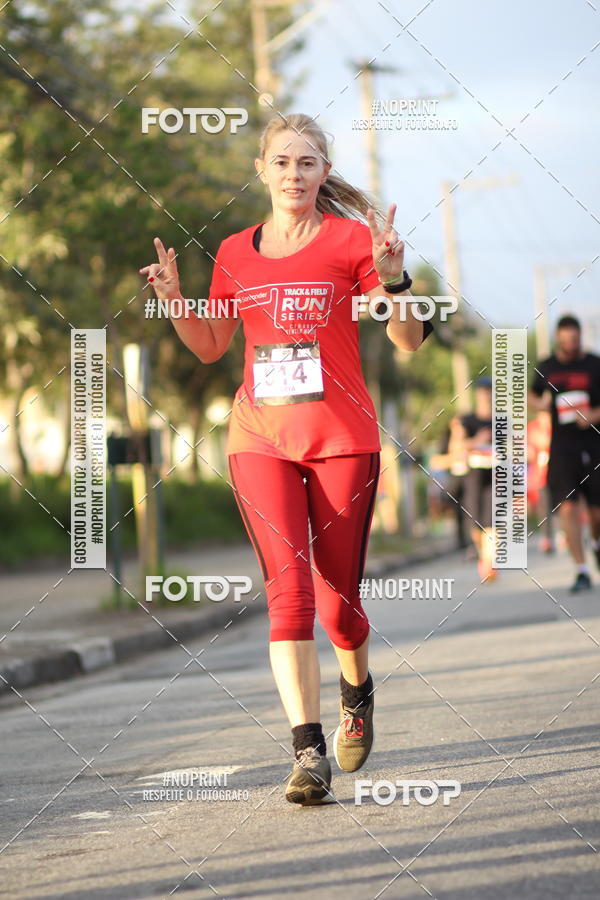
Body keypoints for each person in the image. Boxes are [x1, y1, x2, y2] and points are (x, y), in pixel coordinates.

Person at [140, 112, 433, 805]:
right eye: (281, 162)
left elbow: (411, 342)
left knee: (338, 606)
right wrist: (176, 301)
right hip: (259, 439)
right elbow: (212, 346)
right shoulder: (235, 251)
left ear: (323, 173)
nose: (294, 174)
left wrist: (394, 281)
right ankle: (307, 752)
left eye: (307, 163)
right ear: (261, 170)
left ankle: (356, 690)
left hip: (342, 440)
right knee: (289, 595)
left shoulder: (352, 242)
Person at [529, 314, 600, 592]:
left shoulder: (594, 364)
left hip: (593, 446)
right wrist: (542, 404)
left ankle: (595, 542)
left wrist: (593, 414)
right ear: (559, 339)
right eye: (566, 339)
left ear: (580, 337)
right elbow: (533, 396)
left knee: (596, 515)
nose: (571, 343)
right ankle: (581, 569)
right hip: (562, 448)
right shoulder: (547, 366)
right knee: (567, 508)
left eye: (575, 338)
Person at [453, 377, 497, 581]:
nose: (486, 394)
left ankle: (489, 562)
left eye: (489, 391)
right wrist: (478, 441)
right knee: (475, 523)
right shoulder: (466, 420)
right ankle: (482, 554)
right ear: (477, 394)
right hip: (473, 476)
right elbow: (459, 445)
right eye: (482, 391)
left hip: (495, 474)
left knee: (491, 521)